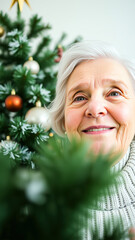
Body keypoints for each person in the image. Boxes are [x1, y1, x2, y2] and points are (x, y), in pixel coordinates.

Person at [49, 41, 135, 239]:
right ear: (63, 116)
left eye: (114, 93)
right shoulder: (30, 202)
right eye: (79, 97)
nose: (95, 109)